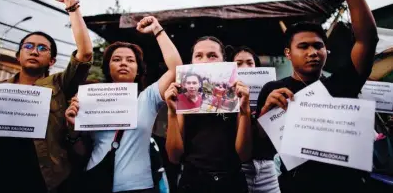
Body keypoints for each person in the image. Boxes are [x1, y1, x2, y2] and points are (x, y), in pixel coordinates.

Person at [256, 0, 379, 192]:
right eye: (303, 47)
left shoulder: (342, 83)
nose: (313, 52)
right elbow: (259, 147)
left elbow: (367, 40)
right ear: (288, 53)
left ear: (326, 50)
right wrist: (265, 114)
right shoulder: (273, 91)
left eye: (318, 46)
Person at [0, 0, 93, 193]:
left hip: (41, 178)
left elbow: (85, 54)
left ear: (52, 60)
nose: (34, 51)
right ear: (18, 56)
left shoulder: (59, 85)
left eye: (42, 48)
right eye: (28, 46)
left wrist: (72, 7)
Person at [65, 16, 182, 193]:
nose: (123, 63)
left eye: (130, 60)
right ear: (108, 67)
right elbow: (81, 151)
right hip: (95, 181)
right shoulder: (90, 99)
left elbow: (176, 69)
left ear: (138, 69)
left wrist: (157, 29)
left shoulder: (147, 98)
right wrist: (73, 129)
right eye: (117, 59)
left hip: (139, 186)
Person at [165, 36, 252, 193]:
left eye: (212, 55)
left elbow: (244, 155)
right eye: (199, 56)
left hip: (231, 181)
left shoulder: (237, 96)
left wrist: (245, 111)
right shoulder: (184, 99)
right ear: (191, 63)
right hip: (193, 182)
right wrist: (172, 112)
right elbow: (174, 157)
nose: (205, 60)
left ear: (224, 62)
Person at [232, 46, 281, 193]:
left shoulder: (269, 93)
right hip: (237, 170)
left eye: (249, 63)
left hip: (266, 167)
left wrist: (266, 110)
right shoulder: (224, 98)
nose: (245, 67)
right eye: (238, 64)